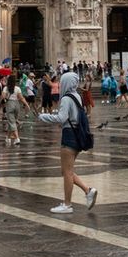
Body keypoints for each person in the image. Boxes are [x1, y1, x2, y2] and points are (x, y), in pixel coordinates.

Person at [38, 72, 98, 214]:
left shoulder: (65, 98)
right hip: (77, 135)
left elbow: (61, 117)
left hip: (69, 136)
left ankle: (67, 204)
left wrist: (44, 116)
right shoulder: (77, 96)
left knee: (67, 172)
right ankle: (88, 190)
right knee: (66, 171)